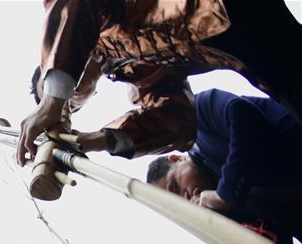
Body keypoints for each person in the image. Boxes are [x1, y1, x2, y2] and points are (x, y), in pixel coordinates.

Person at [17, 0, 302, 165]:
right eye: (72, 106)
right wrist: (94, 141)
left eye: (61, 95)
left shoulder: (93, 16)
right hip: (250, 50)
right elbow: (177, 120)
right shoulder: (133, 72)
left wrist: (52, 100)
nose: (69, 101)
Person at [145, 89, 302, 244]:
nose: (185, 197)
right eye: (181, 203)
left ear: (177, 159)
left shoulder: (193, 116)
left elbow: (244, 115)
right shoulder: (223, 205)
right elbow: (280, 240)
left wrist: (224, 194)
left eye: (175, 187)